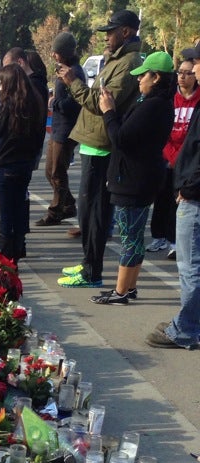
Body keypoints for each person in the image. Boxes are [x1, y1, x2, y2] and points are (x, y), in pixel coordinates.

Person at [56, 9, 142, 288]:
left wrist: (74, 84)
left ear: (126, 32)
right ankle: (88, 264)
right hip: (93, 143)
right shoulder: (115, 59)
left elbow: (103, 104)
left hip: (103, 147)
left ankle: (92, 273)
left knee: (96, 214)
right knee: (88, 211)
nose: (106, 38)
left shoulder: (129, 62)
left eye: (110, 32)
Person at [90, 51, 174, 305]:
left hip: (133, 181)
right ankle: (129, 286)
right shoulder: (155, 103)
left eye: (143, 76)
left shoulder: (153, 106)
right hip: (139, 179)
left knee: (130, 237)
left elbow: (121, 138)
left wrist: (108, 112)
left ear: (156, 77)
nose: (139, 81)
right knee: (134, 237)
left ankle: (121, 290)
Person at [144, 43, 200, 348]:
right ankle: (190, 322)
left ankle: (185, 329)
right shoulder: (177, 100)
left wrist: (188, 188)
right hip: (185, 181)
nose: (190, 71)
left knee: (191, 266)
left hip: (193, 193)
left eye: (194, 64)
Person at [0, 63, 46, 261]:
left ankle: (5, 252)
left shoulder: (8, 105)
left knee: (6, 212)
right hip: (26, 164)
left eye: (2, 84)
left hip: (7, 164)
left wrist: (0, 104)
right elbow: (40, 137)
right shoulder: (35, 103)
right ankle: (19, 245)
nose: (0, 88)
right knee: (20, 204)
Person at [147, 57, 200, 258]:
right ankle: (159, 236)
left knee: (180, 203)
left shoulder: (197, 101)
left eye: (188, 73)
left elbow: (193, 138)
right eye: (180, 72)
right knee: (162, 198)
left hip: (187, 161)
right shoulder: (171, 99)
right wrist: (170, 156)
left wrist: (181, 159)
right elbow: (162, 130)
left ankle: (175, 241)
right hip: (167, 158)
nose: (183, 77)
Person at [37, 32, 84, 226]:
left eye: (57, 52)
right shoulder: (63, 69)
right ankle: (69, 204)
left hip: (66, 129)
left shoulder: (74, 73)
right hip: (57, 128)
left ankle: (56, 211)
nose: (54, 56)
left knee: (57, 171)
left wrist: (55, 102)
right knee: (50, 171)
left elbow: (74, 103)